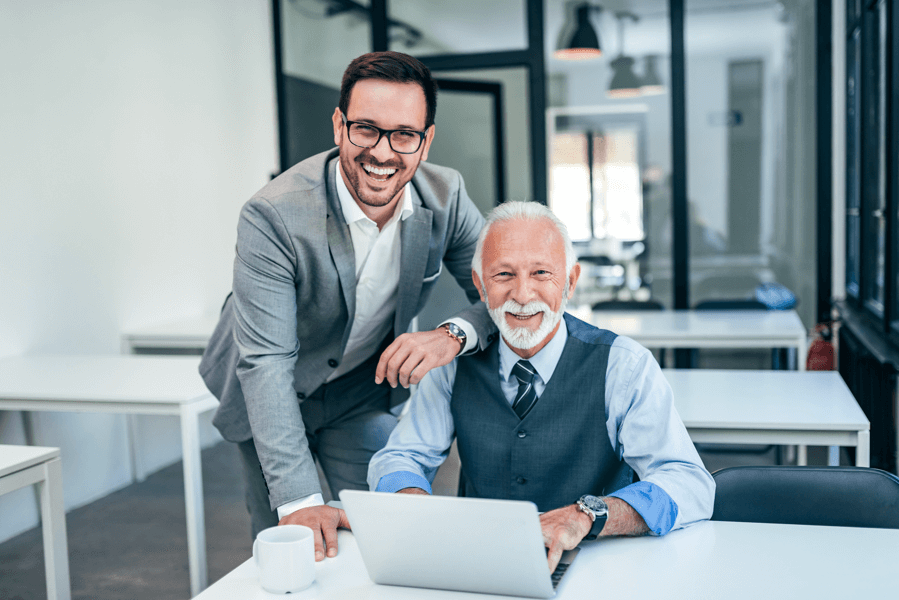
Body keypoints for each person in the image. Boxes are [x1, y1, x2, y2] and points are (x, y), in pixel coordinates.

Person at [198, 51, 496, 561]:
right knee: (288, 544)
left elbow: (501, 293)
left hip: (359, 390)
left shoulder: (445, 196)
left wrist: (450, 335)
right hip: (268, 389)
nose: (383, 152)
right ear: (339, 126)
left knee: (387, 528)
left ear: (425, 142)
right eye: (366, 129)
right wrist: (297, 502)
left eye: (404, 134)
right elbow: (266, 362)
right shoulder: (274, 215)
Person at [367, 201, 715, 573]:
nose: (522, 294)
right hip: (483, 565)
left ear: (570, 280)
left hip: (600, 568)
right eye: (503, 275)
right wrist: (411, 501)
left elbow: (689, 483)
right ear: (480, 285)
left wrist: (587, 516)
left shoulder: (624, 366)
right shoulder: (451, 366)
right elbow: (400, 457)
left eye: (541, 273)